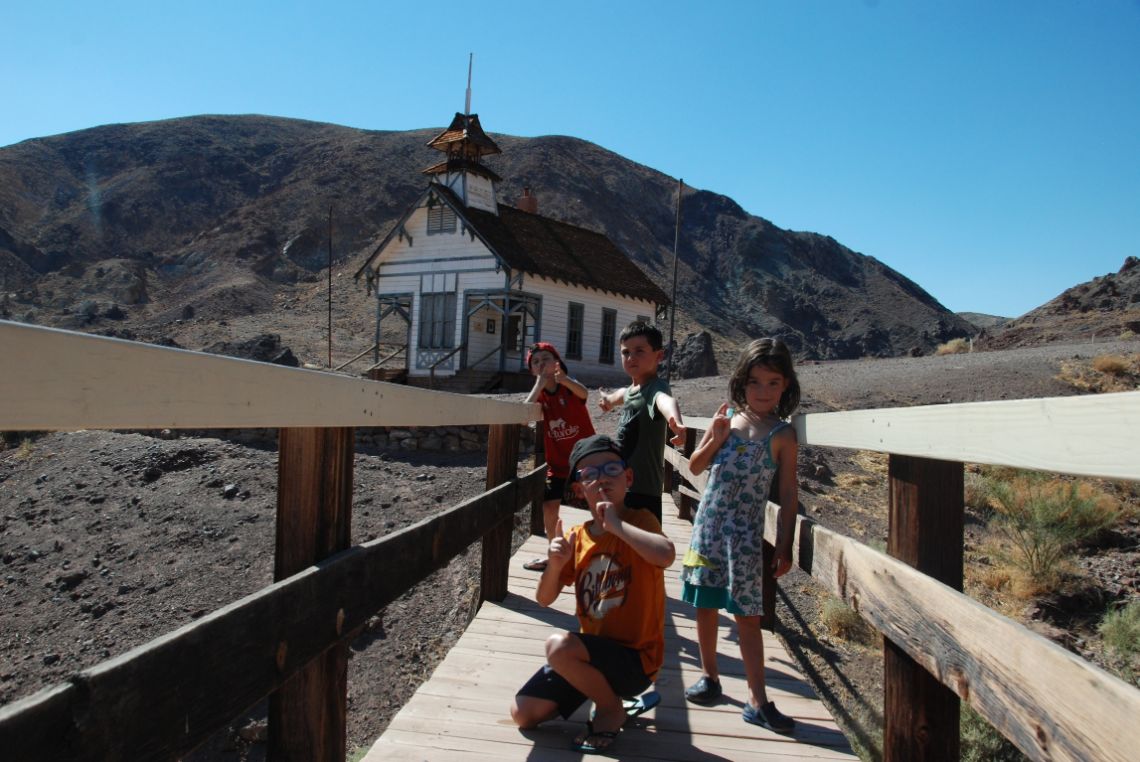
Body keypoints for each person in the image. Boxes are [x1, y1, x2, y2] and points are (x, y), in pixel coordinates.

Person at [510, 434, 675, 755]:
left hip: (635, 662)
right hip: (590, 657)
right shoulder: (577, 536)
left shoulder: (640, 522)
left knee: (558, 646)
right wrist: (555, 565)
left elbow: (665, 555)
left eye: (612, 469)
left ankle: (611, 710)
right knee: (523, 713)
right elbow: (544, 598)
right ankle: (606, 696)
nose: (602, 479)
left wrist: (615, 526)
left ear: (628, 478)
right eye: (590, 474)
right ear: (578, 489)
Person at [679, 337, 801, 733]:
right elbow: (695, 467)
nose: (763, 391)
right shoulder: (726, 420)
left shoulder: (782, 435)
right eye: (754, 382)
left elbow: (788, 494)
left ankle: (757, 699)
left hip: (746, 539)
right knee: (705, 605)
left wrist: (784, 545)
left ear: (785, 385)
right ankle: (709, 676)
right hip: (708, 530)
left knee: (748, 616)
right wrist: (715, 437)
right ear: (741, 381)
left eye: (772, 383)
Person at [596, 322, 686, 524]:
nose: (631, 357)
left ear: (659, 356)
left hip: (644, 490)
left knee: (644, 541)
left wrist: (675, 421)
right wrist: (607, 400)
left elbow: (666, 401)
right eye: (626, 352)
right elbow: (619, 395)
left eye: (639, 351)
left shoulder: (656, 388)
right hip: (622, 485)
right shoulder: (631, 391)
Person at [521, 342, 596, 572]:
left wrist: (563, 379)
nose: (541, 364)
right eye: (535, 362)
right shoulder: (540, 396)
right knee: (549, 507)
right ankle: (554, 554)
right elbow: (523, 417)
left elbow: (584, 394)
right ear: (532, 370)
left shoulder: (568, 387)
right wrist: (538, 385)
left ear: (557, 362)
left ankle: (602, 553)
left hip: (585, 459)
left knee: (596, 506)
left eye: (546, 359)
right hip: (558, 464)